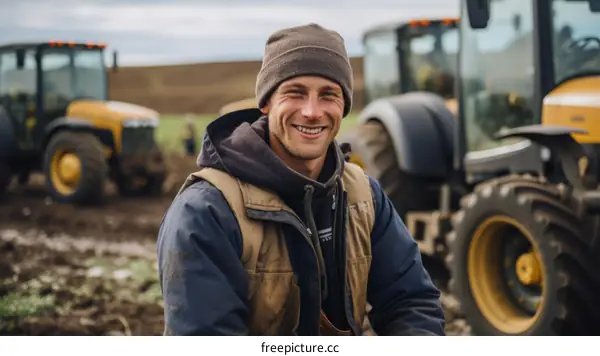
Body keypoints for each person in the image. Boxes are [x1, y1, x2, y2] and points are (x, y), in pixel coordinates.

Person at [157, 23, 445, 336]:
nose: (312, 111)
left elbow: (412, 302)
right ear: (266, 103)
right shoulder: (206, 211)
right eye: (295, 93)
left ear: (344, 106)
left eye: (328, 95)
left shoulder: (363, 194)